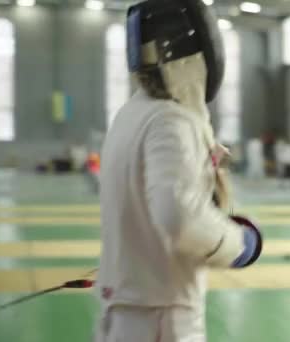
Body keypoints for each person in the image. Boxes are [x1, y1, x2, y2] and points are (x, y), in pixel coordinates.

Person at [95, 1, 262, 341]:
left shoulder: (130, 115)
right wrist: (237, 243)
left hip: (127, 308)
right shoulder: (171, 121)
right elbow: (177, 215)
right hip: (161, 317)